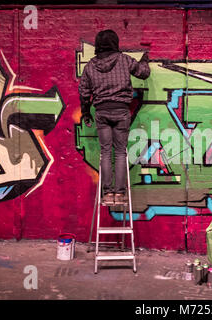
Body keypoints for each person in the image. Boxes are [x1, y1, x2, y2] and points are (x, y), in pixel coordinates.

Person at [78, 29, 150, 205]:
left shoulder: (90, 66)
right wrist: (145, 59)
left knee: (105, 153)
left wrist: (86, 112)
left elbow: (84, 93)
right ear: (115, 43)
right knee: (119, 152)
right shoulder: (124, 60)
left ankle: (108, 193)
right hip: (121, 111)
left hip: (101, 113)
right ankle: (119, 193)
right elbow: (143, 73)